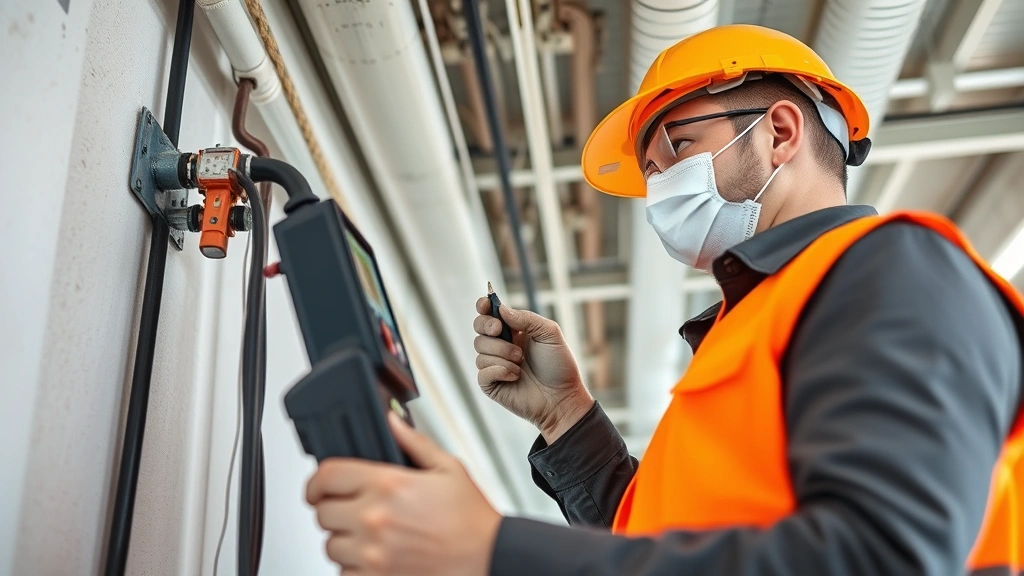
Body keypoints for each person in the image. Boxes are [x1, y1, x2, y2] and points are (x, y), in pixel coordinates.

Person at [304, 24, 1024, 576]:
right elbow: (655, 539)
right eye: (649, 172)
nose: (661, 187)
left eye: (677, 148)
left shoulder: (891, 273)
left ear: (779, 131)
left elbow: (877, 558)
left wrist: (498, 549)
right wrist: (566, 415)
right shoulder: (756, 318)